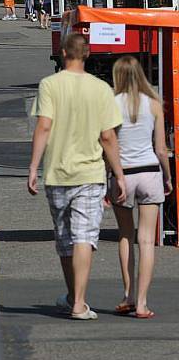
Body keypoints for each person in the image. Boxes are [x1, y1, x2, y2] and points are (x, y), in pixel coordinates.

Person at [28, 33, 126, 320]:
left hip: (57, 173)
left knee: (65, 239)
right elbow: (108, 136)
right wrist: (118, 174)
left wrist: (34, 167)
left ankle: (73, 295)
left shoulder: (49, 85)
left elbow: (43, 127)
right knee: (84, 237)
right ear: (87, 54)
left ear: (62, 54)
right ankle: (78, 302)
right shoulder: (101, 89)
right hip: (90, 174)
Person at [109, 56, 173, 319]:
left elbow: (108, 143)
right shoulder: (154, 104)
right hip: (149, 172)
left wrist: (108, 177)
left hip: (123, 174)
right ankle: (143, 303)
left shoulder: (111, 104)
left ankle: (128, 294)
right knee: (146, 240)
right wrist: (168, 177)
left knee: (126, 235)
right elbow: (160, 148)